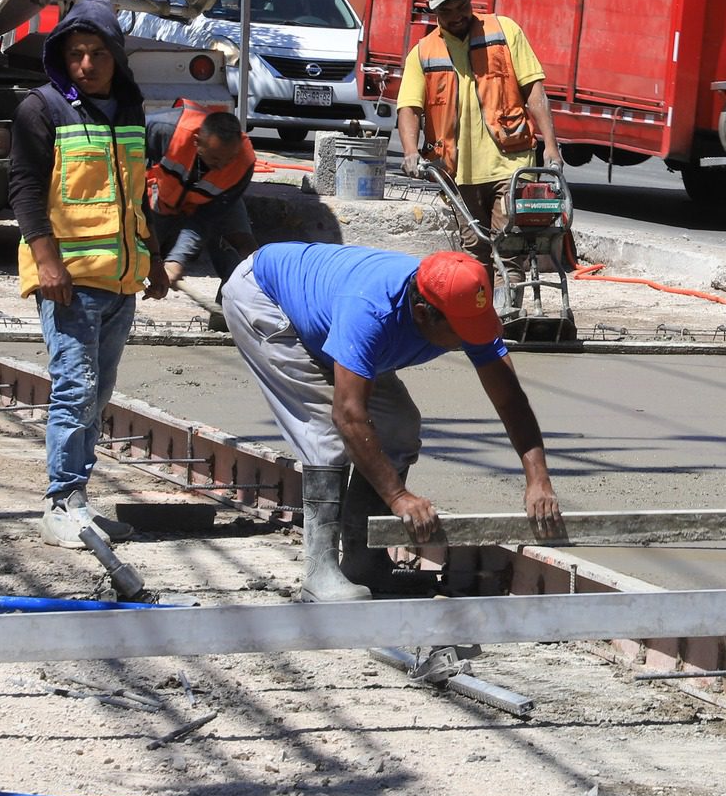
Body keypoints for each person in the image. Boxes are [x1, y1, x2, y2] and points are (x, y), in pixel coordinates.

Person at [220, 242, 564, 602]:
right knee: (326, 434)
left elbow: (509, 397)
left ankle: (363, 561)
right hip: (267, 300)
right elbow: (348, 416)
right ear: (421, 314)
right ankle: (319, 575)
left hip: (332, 319)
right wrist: (398, 497)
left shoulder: (459, 305)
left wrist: (538, 478)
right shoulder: (371, 312)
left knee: (399, 425)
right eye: (463, 331)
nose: (473, 339)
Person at [8, 0, 156, 547]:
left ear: (116, 56)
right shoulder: (41, 109)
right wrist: (47, 264)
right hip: (69, 281)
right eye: (75, 54)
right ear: (61, 57)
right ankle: (61, 503)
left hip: (120, 281)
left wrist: (154, 259)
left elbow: (135, 196)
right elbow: (23, 191)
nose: (86, 64)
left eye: (96, 52)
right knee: (76, 389)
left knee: (98, 393)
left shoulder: (129, 110)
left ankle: (80, 502)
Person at [396, 0, 562, 260]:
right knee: (474, 251)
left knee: (510, 248)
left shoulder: (504, 31)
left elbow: (534, 91)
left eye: (462, 6)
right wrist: (410, 151)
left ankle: (508, 305)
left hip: (510, 165)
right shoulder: (422, 53)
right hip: (458, 173)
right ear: (434, 11)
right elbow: (409, 108)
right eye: (448, 11)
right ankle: (485, 306)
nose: (457, 15)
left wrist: (551, 145)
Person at [145, 102, 257, 294]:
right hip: (165, 197)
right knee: (143, 251)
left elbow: (205, 219)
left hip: (212, 201)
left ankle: (233, 307)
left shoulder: (243, 165)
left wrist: (176, 260)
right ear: (197, 142)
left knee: (243, 247)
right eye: (214, 159)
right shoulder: (165, 130)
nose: (222, 167)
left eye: (228, 159)